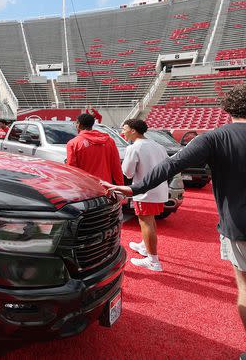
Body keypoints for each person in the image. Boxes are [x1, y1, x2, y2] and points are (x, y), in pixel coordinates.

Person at [106, 85, 246, 346]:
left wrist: (133, 188)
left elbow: (172, 165)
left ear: (227, 110)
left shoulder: (215, 137)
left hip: (239, 226)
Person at [120, 119, 168, 272]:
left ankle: (153, 260)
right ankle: (144, 245)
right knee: (150, 220)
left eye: (125, 128)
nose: (123, 131)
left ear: (133, 130)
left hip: (145, 191)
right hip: (159, 189)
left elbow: (127, 172)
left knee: (146, 222)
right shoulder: (159, 146)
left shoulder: (134, 148)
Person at [66, 113, 124, 185]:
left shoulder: (73, 143)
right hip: (106, 186)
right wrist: (121, 186)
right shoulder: (109, 141)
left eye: (76, 123)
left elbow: (72, 169)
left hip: (85, 187)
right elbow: (116, 166)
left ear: (79, 124)